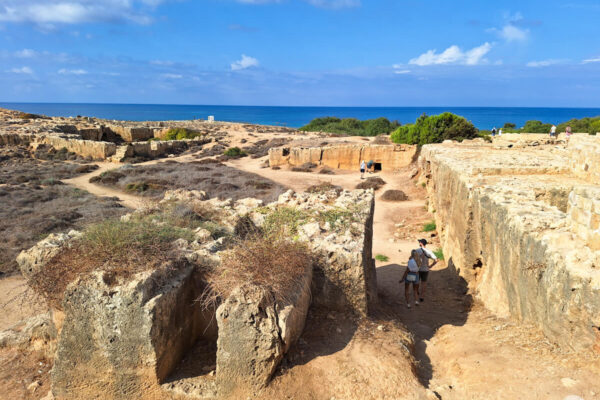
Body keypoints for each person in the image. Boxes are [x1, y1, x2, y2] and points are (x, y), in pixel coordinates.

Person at [415, 239, 438, 303]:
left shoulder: (417, 251)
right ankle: (422, 297)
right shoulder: (429, 251)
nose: (419, 243)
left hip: (418, 269)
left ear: (421, 243)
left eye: (419, 242)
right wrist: (431, 266)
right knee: (424, 283)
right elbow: (436, 260)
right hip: (425, 270)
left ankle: (416, 292)